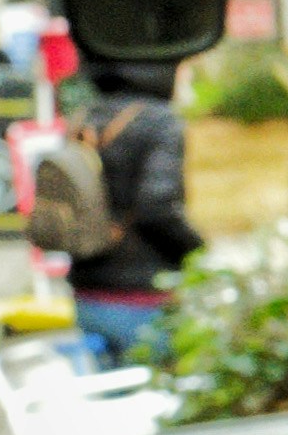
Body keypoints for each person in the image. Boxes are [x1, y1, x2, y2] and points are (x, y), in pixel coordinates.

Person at [46, 61, 201, 365]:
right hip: (143, 297)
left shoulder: (82, 119)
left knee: (105, 400)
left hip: (86, 293)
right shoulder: (160, 121)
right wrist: (198, 251)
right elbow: (157, 208)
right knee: (150, 400)